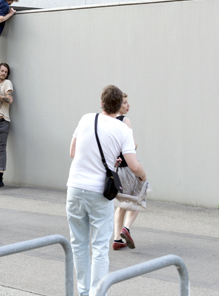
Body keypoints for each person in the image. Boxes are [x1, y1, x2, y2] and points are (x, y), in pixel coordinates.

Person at [66, 85, 147, 296]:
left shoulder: (86, 119)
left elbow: (73, 152)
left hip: (74, 188)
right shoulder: (123, 129)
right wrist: (143, 176)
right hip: (99, 193)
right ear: (119, 106)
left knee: (79, 244)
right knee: (100, 246)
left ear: (101, 103)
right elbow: (133, 164)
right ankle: (97, 293)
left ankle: (83, 292)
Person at [113, 93, 146, 251]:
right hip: (129, 167)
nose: (128, 105)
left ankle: (117, 239)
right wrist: (136, 144)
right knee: (137, 199)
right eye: (125, 103)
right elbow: (131, 146)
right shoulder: (125, 120)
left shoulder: (109, 121)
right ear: (118, 105)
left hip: (116, 169)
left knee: (121, 204)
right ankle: (126, 228)